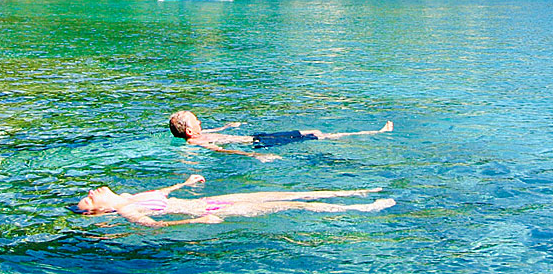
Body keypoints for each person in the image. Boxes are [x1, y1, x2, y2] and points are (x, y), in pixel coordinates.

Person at [75, 174, 395, 227]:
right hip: (213, 209)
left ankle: (355, 192)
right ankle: (361, 207)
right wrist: (196, 221)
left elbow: (162, 194)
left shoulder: (130, 196)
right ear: (100, 210)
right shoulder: (128, 210)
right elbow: (155, 226)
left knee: (288, 193)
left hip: (218, 198)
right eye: (88, 201)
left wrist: (183, 183)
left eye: (87, 194)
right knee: (296, 205)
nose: (91, 193)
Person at [168, 110, 393, 161]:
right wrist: (256, 156)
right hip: (262, 144)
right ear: (189, 131)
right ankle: (375, 132)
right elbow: (222, 149)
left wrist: (227, 127)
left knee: (312, 130)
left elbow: (217, 135)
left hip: (259, 136)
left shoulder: (200, 134)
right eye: (196, 119)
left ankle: (372, 131)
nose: (200, 121)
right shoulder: (198, 144)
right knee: (320, 136)